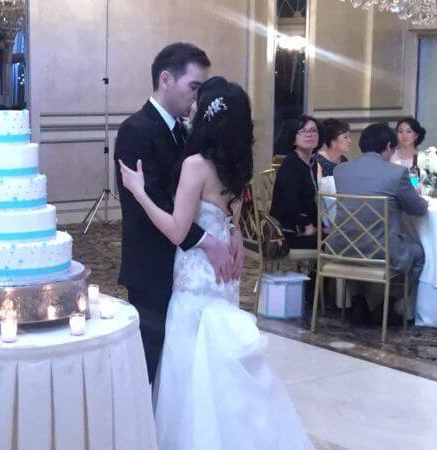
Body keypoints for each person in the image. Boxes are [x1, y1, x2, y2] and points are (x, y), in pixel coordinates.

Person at [119, 78, 312, 450]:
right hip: (224, 270)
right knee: (219, 356)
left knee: (189, 360)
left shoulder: (196, 164)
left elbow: (178, 230)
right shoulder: (237, 164)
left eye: (197, 102)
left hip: (196, 270)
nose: (191, 107)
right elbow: (231, 217)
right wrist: (234, 236)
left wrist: (140, 192)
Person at [114, 43, 245, 384]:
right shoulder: (136, 130)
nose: (197, 98)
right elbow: (155, 203)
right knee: (154, 364)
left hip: (188, 269)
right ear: (166, 79)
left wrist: (232, 229)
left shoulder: (188, 132)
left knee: (190, 366)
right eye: (194, 87)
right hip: (155, 265)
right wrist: (207, 241)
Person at [333, 123, 428, 322]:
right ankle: (392, 305)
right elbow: (418, 209)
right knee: (419, 253)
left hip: (341, 249)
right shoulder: (395, 173)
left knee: (357, 238)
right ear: (388, 146)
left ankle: (358, 301)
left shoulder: (341, 171)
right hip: (381, 253)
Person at [270, 115, 323, 249]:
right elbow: (292, 202)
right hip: (287, 232)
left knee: (335, 236)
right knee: (333, 244)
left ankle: (312, 271)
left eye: (313, 131)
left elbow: (311, 201)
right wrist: (307, 225)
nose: (308, 134)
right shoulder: (291, 164)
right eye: (303, 131)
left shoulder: (312, 163)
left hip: (302, 225)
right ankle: (313, 271)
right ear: (294, 138)